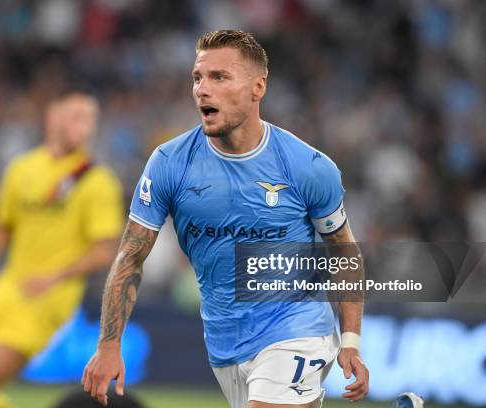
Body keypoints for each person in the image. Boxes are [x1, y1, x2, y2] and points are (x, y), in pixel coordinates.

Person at [82, 30, 369, 408]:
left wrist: (350, 340)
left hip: (298, 327)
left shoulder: (308, 167)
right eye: (198, 78)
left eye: (219, 77)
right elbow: (131, 256)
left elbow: (343, 251)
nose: (203, 89)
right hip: (224, 343)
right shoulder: (169, 163)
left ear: (257, 87)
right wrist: (108, 344)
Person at [0, 92, 124, 408]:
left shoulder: (97, 182)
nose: (85, 127)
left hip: (47, 301)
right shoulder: (22, 169)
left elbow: (104, 251)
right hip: (7, 289)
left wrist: (55, 276)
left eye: (90, 120)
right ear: (52, 117)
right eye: (77, 117)